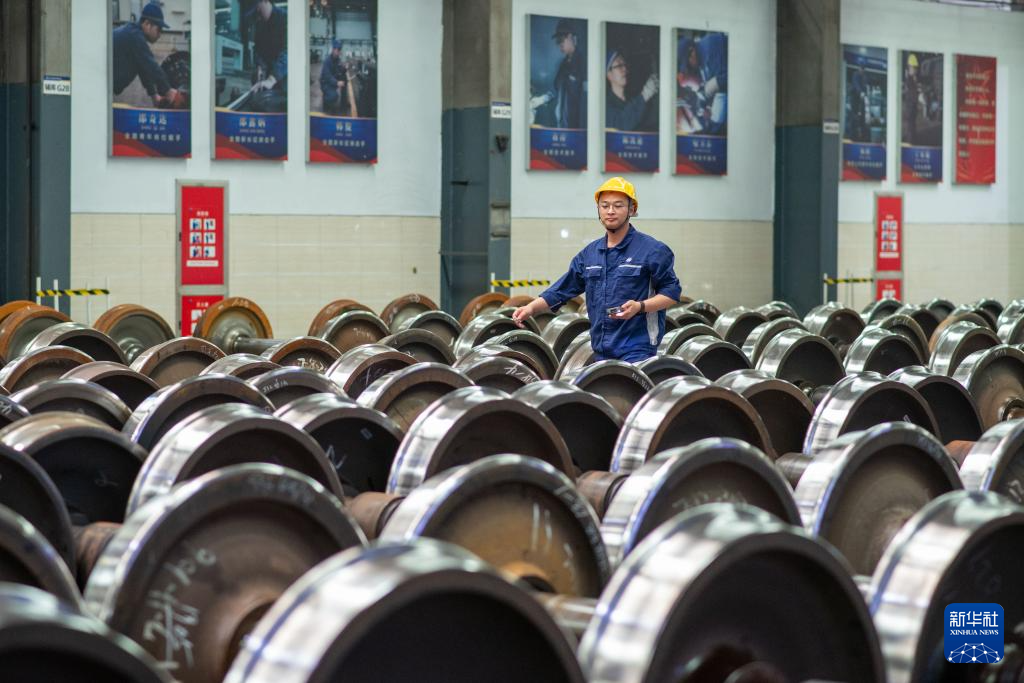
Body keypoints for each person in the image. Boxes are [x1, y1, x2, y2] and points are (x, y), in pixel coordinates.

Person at [512, 177, 681, 362]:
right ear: (598, 210)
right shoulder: (590, 254)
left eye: (618, 205)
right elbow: (562, 289)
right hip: (601, 349)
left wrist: (640, 307)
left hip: (638, 349)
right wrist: (530, 308)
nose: (610, 211)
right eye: (604, 205)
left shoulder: (652, 250)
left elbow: (671, 293)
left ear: (632, 209)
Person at [111, 2, 183, 108]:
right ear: (147, 24)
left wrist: (154, 95)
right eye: (159, 29)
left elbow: (143, 68)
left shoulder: (134, 34)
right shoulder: (134, 36)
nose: (160, 35)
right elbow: (151, 66)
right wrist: (168, 91)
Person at [529, 19, 585, 129]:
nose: (559, 45)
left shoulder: (583, 62)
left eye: (561, 40)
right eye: (557, 42)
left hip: (578, 126)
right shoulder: (564, 65)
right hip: (563, 125)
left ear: (570, 37)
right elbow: (555, 88)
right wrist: (542, 99)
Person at [247, 0, 287, 113]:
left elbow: (288, 52)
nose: (257, 11)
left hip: (285, 77)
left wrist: (271, 79)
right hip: (269, 76)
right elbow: (258, 50)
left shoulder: (286, 18)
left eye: (258, 7)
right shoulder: (260, 24)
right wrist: (260, 67)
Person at [605, 51, 658, 132]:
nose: (624, 69)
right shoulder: (605, 105)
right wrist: (644, 96)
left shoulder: (633, 100)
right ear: (609, 75)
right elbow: (620, 125)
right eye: (619, 65)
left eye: (624, 65)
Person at [319, 39, 349, 115]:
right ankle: (326, 102)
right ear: (333, 49)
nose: (339, 51)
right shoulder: (327, 61)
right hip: (326, 83)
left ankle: (343, 103)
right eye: (337, 49)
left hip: (332, 81)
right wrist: (337, 83)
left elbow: (339, 70)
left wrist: (344, 68)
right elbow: (327, 76)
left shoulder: (337, 60)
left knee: (344, 78)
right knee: (333, 96)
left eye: (339, 49)